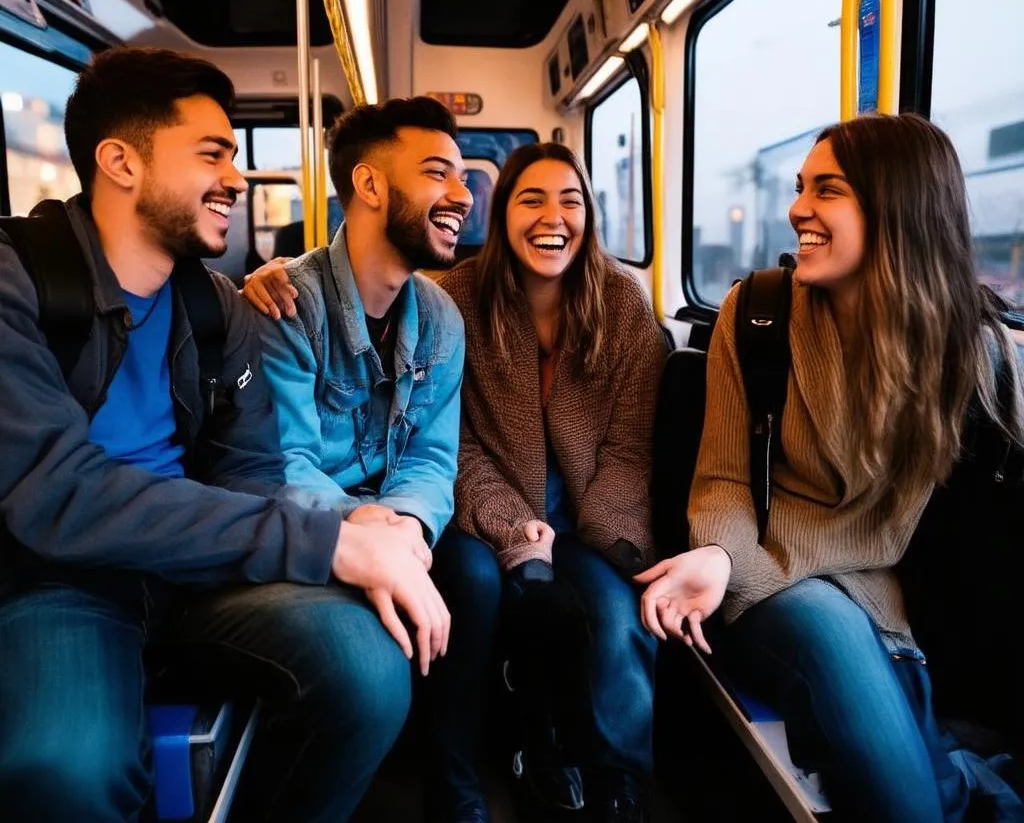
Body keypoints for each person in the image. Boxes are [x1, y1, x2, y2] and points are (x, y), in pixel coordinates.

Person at [0, 47, 448, 823]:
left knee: (369, 671)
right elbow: (58, 490)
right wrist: (328, 542)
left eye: (235, 156)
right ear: (120, 162)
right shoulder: (18, 285)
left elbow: (249, 471)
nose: (237, 180)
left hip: (197, 570)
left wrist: (354, 523)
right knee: (67, 766)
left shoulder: (220, 311)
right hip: (65, 575)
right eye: (212, 154)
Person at [637, 113, 1024, 821]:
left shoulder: (971, 346)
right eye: (800, 187)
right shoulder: (755, 313)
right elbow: (722, 477)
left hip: (883, 584)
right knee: (833, 634)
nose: (797, 209)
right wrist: (721, 556)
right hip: (758, 566)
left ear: (898, 208)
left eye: (828, 190)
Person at [433, 143, 666, 823]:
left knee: (619, 619)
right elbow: (455, 442)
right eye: (531, 199)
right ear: (502, 214)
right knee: (478, 588)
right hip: (485, 509)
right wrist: (515, 531)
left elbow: (630, 448)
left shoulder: (623, 302)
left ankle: (615, 784)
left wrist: (601, 542)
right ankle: (482, 768)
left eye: (570, 200)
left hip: (593, 517)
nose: (553, 216)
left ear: (589, 216)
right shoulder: (456, 300)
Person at [243, 96, 472, 559]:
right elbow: (287, 460)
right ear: (369, 184)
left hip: (396, 516)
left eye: (463, 179)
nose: (463, 196)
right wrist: (357, 520)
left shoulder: (442, 319)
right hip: (319, 523)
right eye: (436, 173)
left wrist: (407, 523)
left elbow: (430, 455)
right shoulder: (290, 305)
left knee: (475, 577)